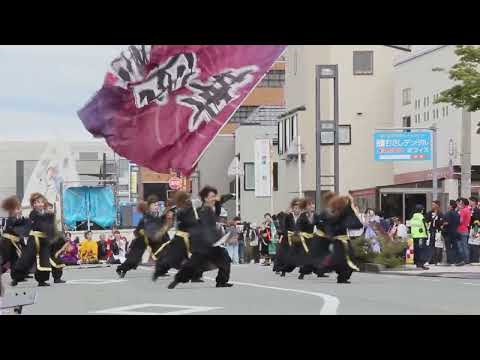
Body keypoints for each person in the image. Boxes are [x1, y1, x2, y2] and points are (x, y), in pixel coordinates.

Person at [168, 186, 233, 289]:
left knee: (225, 259)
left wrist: (228, 196)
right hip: (201, 245)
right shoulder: (199, 211)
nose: (214, 198)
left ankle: (222, 282)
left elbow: (219, 203)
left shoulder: (212, 209)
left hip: (212, 243)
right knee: (191, 265)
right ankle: (177, 280)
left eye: (214, 196)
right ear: (205, 198)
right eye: (211, 196)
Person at [12, 193, 56, 286]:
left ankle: (42, 280)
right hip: (34, 238)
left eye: (41, 202)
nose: (40, 204)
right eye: (37, 202)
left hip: (44, 240)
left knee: (44, 259)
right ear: (34, 204)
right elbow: (37, 224)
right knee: (27, 258)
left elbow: (50, 227)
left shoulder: (48, 214)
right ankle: (17, 277)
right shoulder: (33, 213)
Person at [116, 195, 164, 278]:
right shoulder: (145, 218)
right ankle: (121, 269)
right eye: (154, 205)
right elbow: (137, 231)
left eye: (157, 205)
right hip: (140, 241)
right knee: (134, 260)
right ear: (149, 206)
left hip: (151, 240)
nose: (156, 207)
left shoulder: (155, 217)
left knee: (162, 252)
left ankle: (162, 270)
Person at [0, 196, 30, 281]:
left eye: (19, 208)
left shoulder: (18, 218)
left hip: (14, 242)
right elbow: (16, 228)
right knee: (7, 260)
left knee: (16, 259)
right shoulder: (11, 219)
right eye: (17, 209)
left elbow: (22, 226)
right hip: (7, 243)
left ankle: (18, 276)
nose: (19, 210)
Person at [409, 204, 429, 270]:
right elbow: (425, 226)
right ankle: (422, 264)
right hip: (421, 236)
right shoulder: (421, 217)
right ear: (421, 210)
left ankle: (418, 264)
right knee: (422, 250)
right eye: (422, 209)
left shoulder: (413, 217)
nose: (423, 210)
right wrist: (427, 234)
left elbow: (410, 226)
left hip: (414, 236)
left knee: (417, 250)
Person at [425, 200, 444, 265]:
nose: (432, 206)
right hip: (431, 231)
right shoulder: (429, 213)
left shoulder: (440, 214)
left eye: (433, 205)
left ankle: (438, 261)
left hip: (438, 231)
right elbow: (426, 221)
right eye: (432, 204)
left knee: (438, 246)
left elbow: (442, 223)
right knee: (430, 246)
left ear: (437, 206)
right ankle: (429, 260)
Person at [442, 200, 460, 265]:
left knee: (448, 247)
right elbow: (458, 222)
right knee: (455, 247)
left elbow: (446, 223)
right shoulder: (457, 213)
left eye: (448, 204)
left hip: (448, 232)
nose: (447, 205)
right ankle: (456, 260)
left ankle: (449, 261)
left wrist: (442, 225)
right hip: (455, 232)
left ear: (451, 206)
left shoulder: (448, 213)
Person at [456, 198, 471, 266]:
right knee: (465, 246)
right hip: (466, 229)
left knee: (460, 246)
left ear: (463, 203)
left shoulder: (463, 210)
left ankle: (462, 260)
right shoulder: (468, 210)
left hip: (460, 230)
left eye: (461, 203)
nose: (459, 204)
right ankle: (467, 260)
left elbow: (460, 221)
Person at [468, 196, 480, 263]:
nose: (469, 202)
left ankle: (475, 260)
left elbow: (477, 221)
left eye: (470, 201)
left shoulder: (477, 210)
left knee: (475, 245)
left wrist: (475, 231)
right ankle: (472, 259)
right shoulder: (471, 210)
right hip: (471, 229)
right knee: (471, 245)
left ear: (474, 202)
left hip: (476, 229)